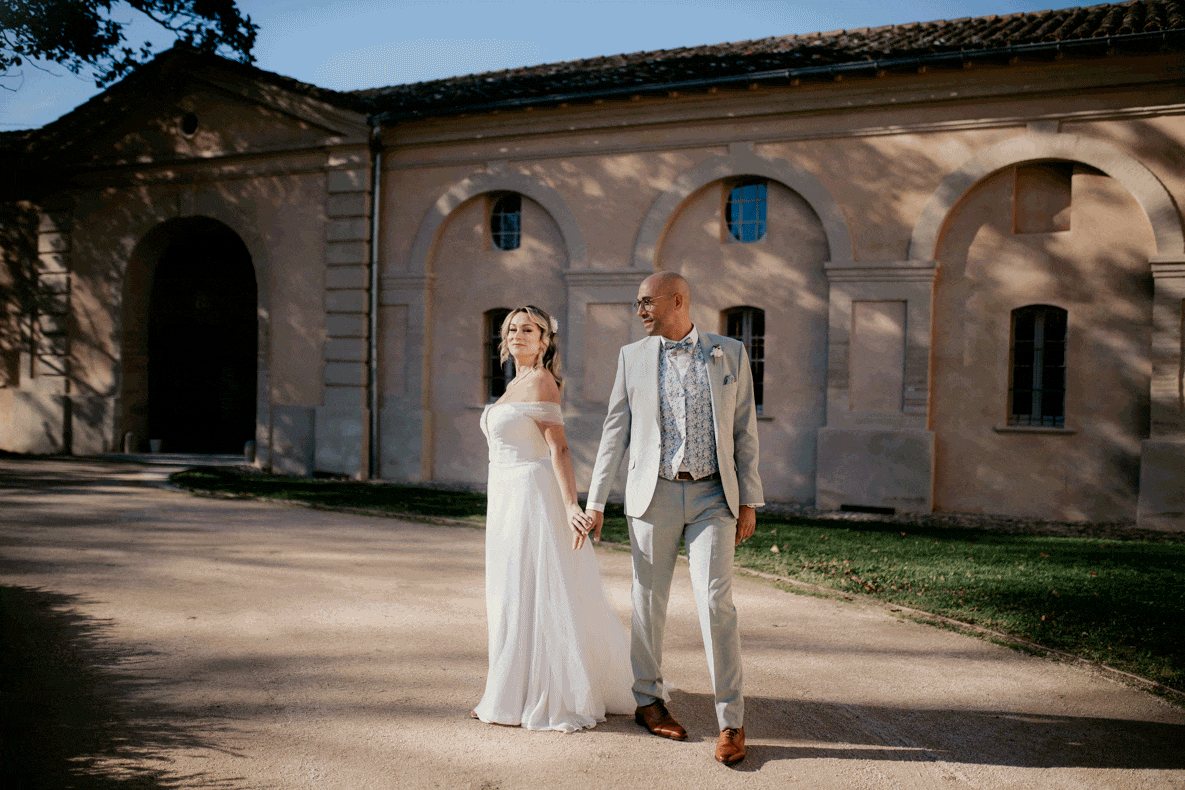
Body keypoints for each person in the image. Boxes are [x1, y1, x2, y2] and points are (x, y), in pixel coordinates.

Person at [581, 272, 763, 765]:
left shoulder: (731, 352)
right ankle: (648, 700)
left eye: (647, 302)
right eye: (638, 303)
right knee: (647, 600)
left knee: (716, 603)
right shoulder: (631, 357)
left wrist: (749, 500)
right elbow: (614, 431)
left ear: (678, 300)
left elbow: (744, 430)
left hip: (712, 497)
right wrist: (595, 501)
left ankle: (732, 722)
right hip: (653, 494)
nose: (640, 310)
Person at [472, 305, 635, 732]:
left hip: (531, 495)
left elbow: (558, 448)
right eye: (511, 329)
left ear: (545, 340)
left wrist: (570, 506)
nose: (517, 335)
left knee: (531, 588)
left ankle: (533, 694)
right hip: (505, 497)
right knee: (509, 590)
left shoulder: (541, 379)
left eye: (528, 329)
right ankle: (509, 688)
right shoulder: (514, 383)